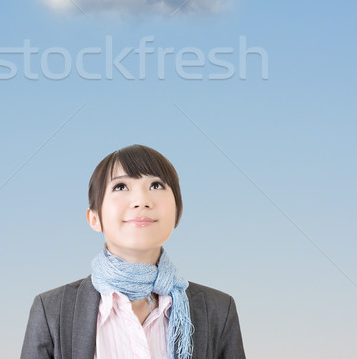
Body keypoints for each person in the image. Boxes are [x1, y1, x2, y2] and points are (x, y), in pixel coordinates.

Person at [20, 144, 246, 358]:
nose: (141, 200)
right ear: (95, 218)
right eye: (120, 186)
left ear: (178, 212)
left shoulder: (218, 310)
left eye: (156, 185)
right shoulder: (51, 311)